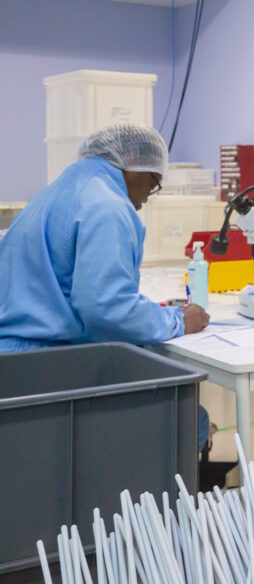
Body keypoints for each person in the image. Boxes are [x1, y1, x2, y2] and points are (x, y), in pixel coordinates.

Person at [0, 123, 212, 447]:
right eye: (154, 182)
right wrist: (178, 320)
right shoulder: (108, 206)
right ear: (134, 165)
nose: (148, 196)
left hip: (14, 362)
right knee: (190, 419)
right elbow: (105, 309)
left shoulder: (58, 191)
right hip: (48, 368)